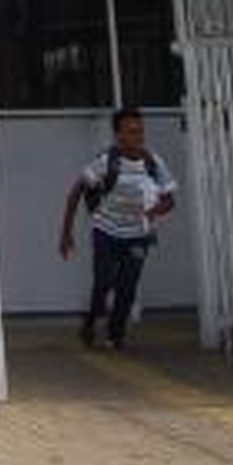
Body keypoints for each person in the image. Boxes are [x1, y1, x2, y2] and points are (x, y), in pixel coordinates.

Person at [62, 105, 178, 350]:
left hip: (137, 235)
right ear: (118, 135)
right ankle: (91, 322)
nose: (137, 137)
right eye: (130, 132)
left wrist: (154, 210)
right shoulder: (106, 162)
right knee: (103, 282)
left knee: (127, 287)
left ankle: (115, 336)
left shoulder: (153, 162)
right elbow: (76, 192)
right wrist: (66, 233)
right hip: (106, 230)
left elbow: (170, 199)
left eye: (140, 132)